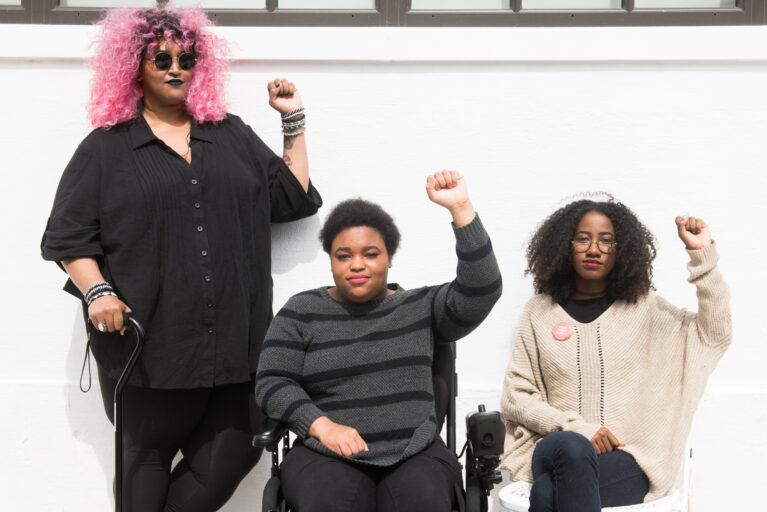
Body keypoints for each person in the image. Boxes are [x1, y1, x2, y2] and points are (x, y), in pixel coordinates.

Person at [40, 5, 321, 512]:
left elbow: (291, 198)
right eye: (161, 58)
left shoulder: (231, 134)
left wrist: (292, 120)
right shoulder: (106, 149)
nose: (176, 68)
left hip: (236, 345)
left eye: (187, 58)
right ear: (133, 66)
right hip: (148, 348)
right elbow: (68, 236)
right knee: (143, 464)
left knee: (236, 452)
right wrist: (97, 291)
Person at [255, 170, 502, 512]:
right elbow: (272, 381)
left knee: (423, 501)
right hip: (325, 453)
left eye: (370, 254)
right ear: (331, 261)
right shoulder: (302, 311)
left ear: (389, 258)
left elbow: (482, 289)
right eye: (343, 255)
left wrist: (460, 209)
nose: (357, 265)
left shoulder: (421, 307)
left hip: (414, 451)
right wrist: (321, 426)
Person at [499, 197, 731, 511]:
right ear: (565, 246)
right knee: (570, 447)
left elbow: (715, 333)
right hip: (555, 446)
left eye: (606, 241)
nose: (594, 249)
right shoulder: (539, 312)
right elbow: (517, 396)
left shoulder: (647, 309)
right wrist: (576, 428)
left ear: (622, 250)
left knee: (546, 493)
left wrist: (703, 258)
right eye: (583, 239)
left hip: (627, 459)